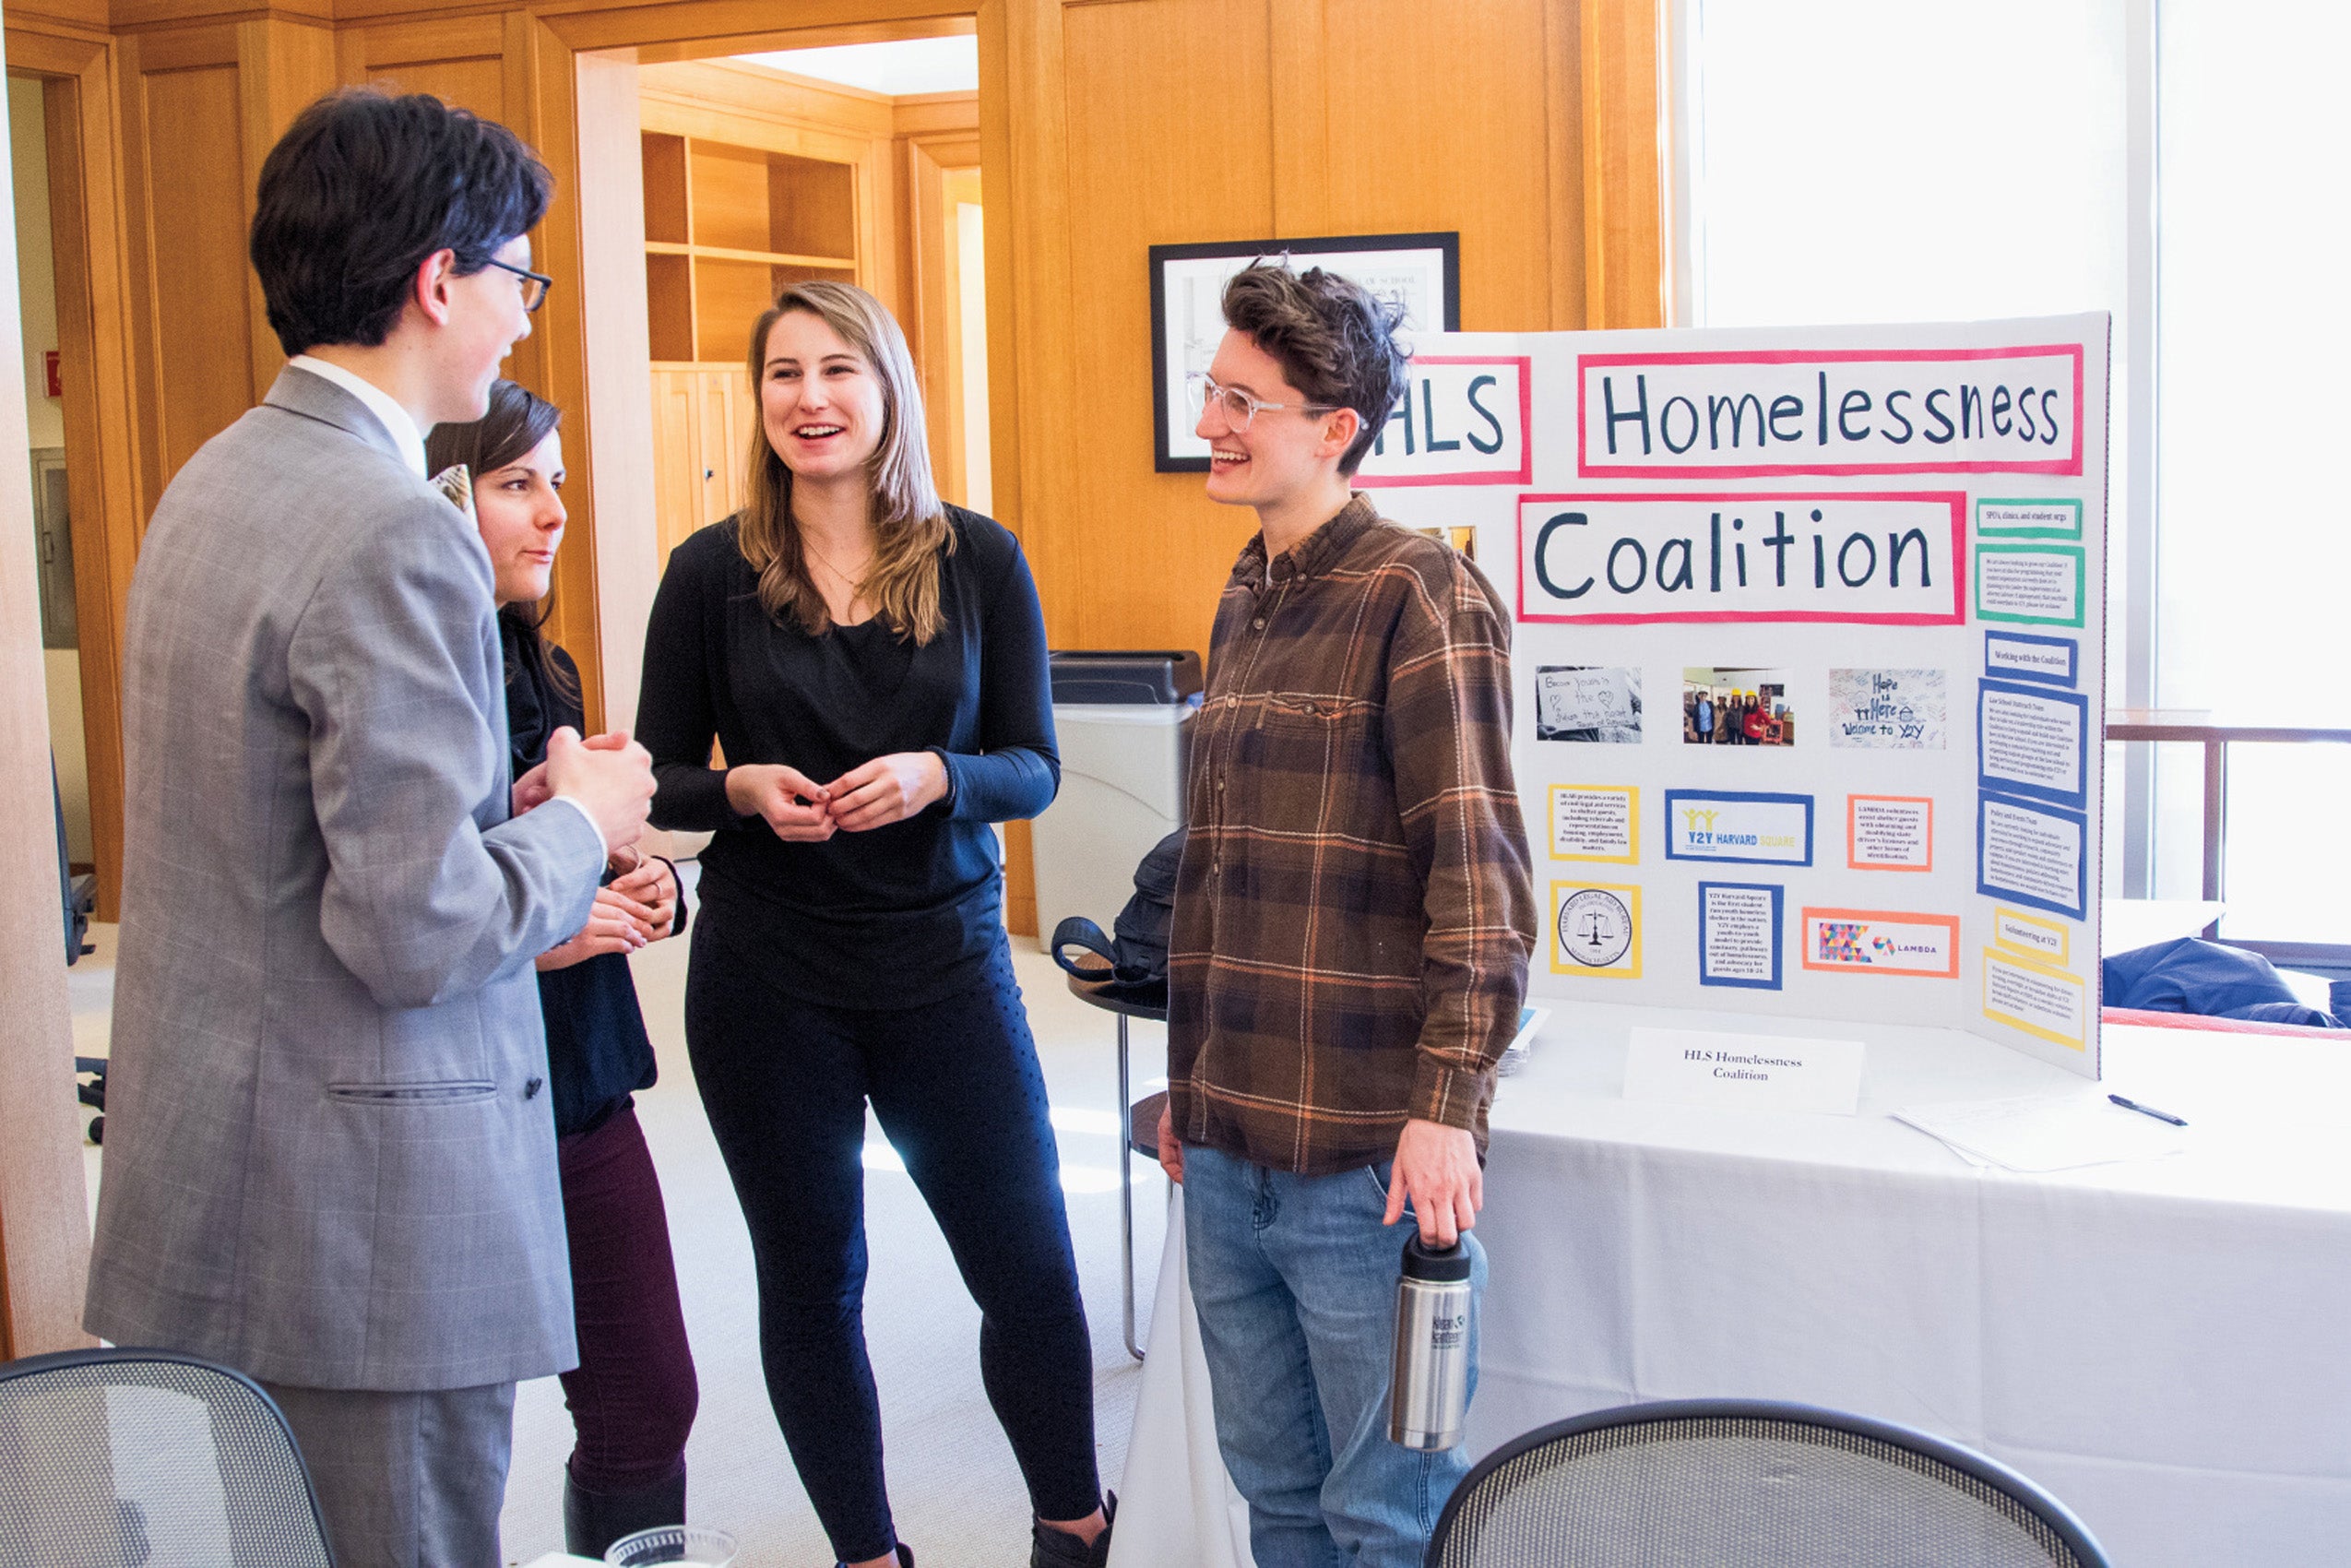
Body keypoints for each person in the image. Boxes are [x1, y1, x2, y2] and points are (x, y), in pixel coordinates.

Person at [82, 89, 655, 1568]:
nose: (523, 322)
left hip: (220, 1185)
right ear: (436, 278)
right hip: (363, 1223)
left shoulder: (215, 478)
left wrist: (496, 815)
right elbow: (417, 930)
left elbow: (287, 833)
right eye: (517, 279)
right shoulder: (399, 525)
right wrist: (581, 822)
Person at [635, 280, 1112, 1568]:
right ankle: (868, 1555)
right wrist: (733, 790)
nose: (811, 400)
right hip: (765, 981)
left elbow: (1035, 766)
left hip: (944, 966)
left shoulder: (979, 557)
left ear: (888, 387)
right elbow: (659, 778)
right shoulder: (707, 575)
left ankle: (1073, 1527)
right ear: (760, 401)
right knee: (810, 1283)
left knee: (1024, 1268)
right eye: (784, 374)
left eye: (838, 370)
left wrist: (939, 776)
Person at [1157, 261, 1537, 1567]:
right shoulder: (1244, 593)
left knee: (1383, 1518)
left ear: (1336, 428)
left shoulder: (1419, 592)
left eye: (1243, 401)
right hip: (1229, 1154)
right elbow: (1223, 879)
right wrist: (1192, 1101)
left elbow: (1479, 881)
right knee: (1274, 1491)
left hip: (1368, 1167)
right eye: (1212, 390)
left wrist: (1448, 1107)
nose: (1211, 420)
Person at [428, 380, 702, 1558]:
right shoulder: (414, 681)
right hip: (457, 1099)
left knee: (651, 1397)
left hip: (583, 1083)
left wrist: (647, 882)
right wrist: (541, 925)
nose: (551, 514)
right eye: (515, 484)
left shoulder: (550, 671)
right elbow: (410, 906)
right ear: (437, 498)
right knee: (451, 1444)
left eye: (557, 485)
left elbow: (590, 853)